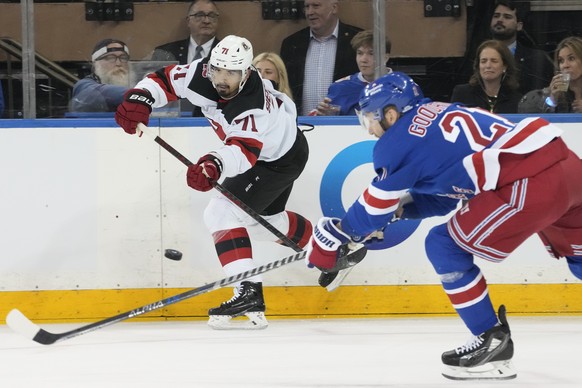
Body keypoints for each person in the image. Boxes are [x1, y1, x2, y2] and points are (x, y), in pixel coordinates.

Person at [305, 72, 582, 380]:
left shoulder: (397, 140)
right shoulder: (436, 114)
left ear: (391, 113)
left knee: (442, 245)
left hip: (530, 181)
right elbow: (448, 197)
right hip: (567, 167)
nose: (370, 129)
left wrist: (337, 234)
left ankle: (490, 341)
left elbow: (373, 206)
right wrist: (399, 211)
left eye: (371, 118)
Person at [115, 35, 312, 330]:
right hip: (278, 152)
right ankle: (329, 247)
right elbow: (166, 80)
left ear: (246, 73)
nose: (222, 78)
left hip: (275, 160)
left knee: (220, 213)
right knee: (263, 221)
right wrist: (140, 98)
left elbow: (243, 151)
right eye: (218, 70)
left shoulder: (253, 105)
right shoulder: (202, 73)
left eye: (231, 73)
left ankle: (248, 291)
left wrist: (214, 163)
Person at [280, 0, 362, 115]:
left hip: (344, 126)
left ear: (334, 8)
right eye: (307, 7)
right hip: (300, 126)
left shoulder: (356, 41)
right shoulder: (291, 44)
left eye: (316, 6)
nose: (310, 12)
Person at [316, 30, 392, 116]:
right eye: (360, 53)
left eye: (371, 54)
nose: (363, 60)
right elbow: (323, 123)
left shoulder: (402, 86)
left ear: (385, 58)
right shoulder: (340, 87)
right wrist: (322, 117)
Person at [489, 0, 553, 94]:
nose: (500, 20)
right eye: (496, 16)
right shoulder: (477, 56)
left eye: (507, 17)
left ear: (519, 26)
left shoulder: (537, 59)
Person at [451, 40, 522, 113]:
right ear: (478, 66)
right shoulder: (462, 93)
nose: (488, 66)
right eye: (483, 61)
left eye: (494, 61)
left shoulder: (516, 99)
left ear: (504, 66)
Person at [69, 39, 130, 113]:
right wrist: (137, 94)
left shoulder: (138, 83)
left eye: (123, 58)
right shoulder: (85, 85)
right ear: (96, 63)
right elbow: (94, 92)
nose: (118, 63)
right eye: (111, 58)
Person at [151, 0, 220, 65]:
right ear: (188, 21)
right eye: (200, 15)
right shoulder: (165, 53)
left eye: (212, 16)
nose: (206, 21)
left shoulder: (228, 52)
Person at [539, 36, 582, 113]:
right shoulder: (550, 93)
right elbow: (544, 121)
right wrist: (553, 100)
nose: (565, 65)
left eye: (571, 58)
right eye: (561, 61)